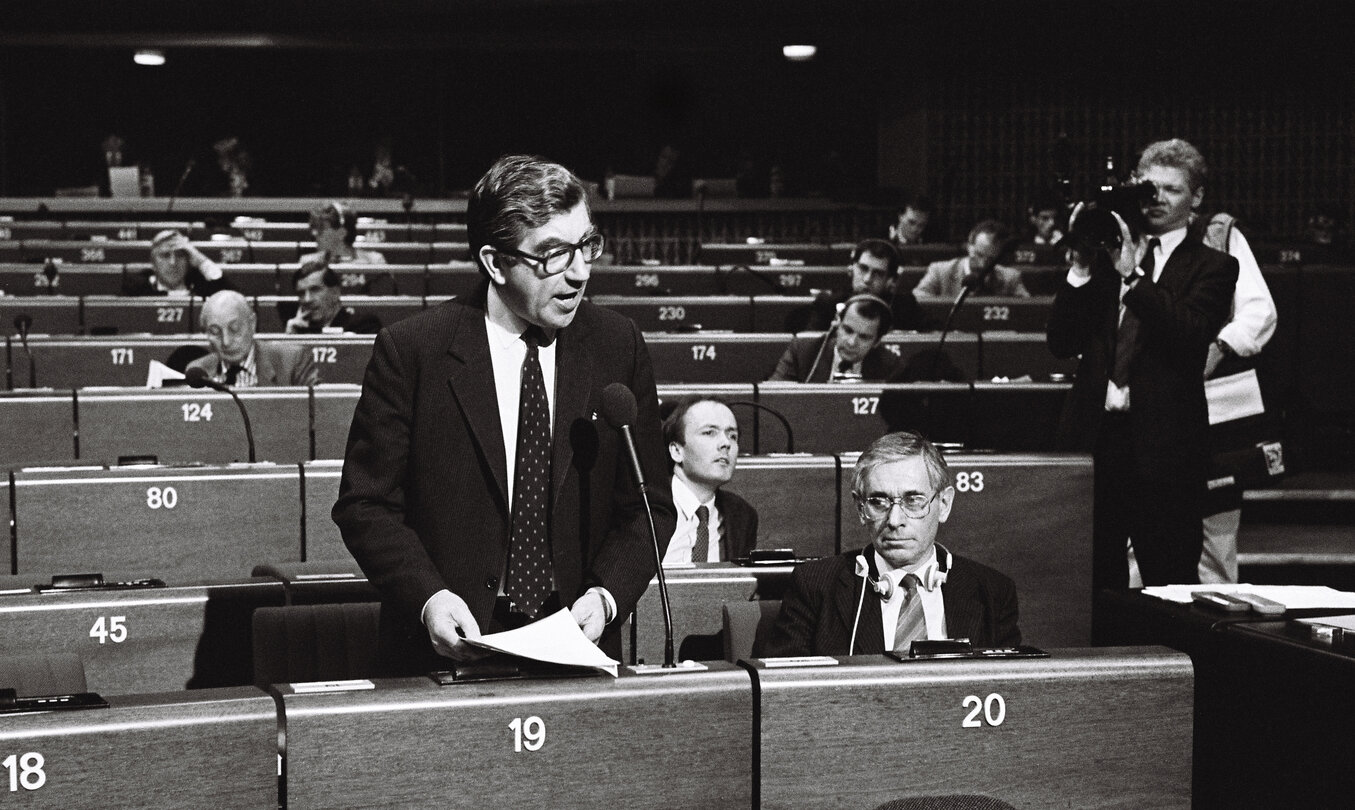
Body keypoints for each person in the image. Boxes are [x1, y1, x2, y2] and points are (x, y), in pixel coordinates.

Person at [332, 154, 676, 672]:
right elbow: (366, 506)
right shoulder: (413, 351)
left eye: (587, 245)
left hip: (578, 649)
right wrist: (429, 599)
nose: (581, 272)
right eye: (555, 254)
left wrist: (606, 596)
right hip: (446, 652)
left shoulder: (617, 345)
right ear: (495, 263)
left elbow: (648, 509)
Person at [1048, 138, 1238, 592]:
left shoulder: (1214, 266)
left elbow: (1190, 335)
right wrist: (1079, 266)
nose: (1156, 199)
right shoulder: (1105, 258)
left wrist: (1134, 278)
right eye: (1148, 188)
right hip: (1097, 442)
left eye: (1171, 190)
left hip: (1167, 450)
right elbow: (1060, 342)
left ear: (1196, 199)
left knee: (1169, 581)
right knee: (1095, 582)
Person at [762, 431, 1020, 656]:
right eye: (878, 502)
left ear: (943, 504)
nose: (895, 520)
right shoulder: (816, 586)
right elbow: (784, 694)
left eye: (913, 500)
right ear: (861, 509)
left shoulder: (992, 592)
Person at [661, 396, 758, 564]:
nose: (725, 443)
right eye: (709, 432)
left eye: (732, 436)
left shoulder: (742, 515)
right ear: (677, 451)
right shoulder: (643, 506)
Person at [187, 290, 319, 386]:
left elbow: (319, 414)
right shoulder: (198, 372)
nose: (226, 341)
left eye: (235, 329)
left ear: (252, 323)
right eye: (215, 332)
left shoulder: (293, 361)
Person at [769, 294, 899, 383]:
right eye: (847, 330)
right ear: (837, 325)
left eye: (864, 337)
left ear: (876, 342)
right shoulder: (803, 351)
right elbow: (773, 397)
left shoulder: (891, 366)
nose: (851, 342)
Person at [914, 219, 1030, 299]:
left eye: (991, 259)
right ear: (969, 246)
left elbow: (1026, 310)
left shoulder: (1010, 278)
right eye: (979, 255)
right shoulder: (940, 271)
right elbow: (919, 298)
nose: (982, 264)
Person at [123, 230, 234, 297]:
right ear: (154, 264)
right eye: (165, 256)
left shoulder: (202, 286)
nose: (173, 262)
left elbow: (233, 299)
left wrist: (201, 261)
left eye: (180, 255)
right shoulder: (135, 289)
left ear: (188, 260)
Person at [284, 260, 383, 334]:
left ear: (335, 293)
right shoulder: (299, 329)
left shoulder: (363, 324)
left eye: (315, 290)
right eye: (301, 293)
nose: (307, 299)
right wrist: (290, 339)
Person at [301, 201, 388, 265]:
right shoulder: (308, 264)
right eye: (314, 228)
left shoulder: (374, 262)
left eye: (321, 228)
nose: (314, 233)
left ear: (342, 233)